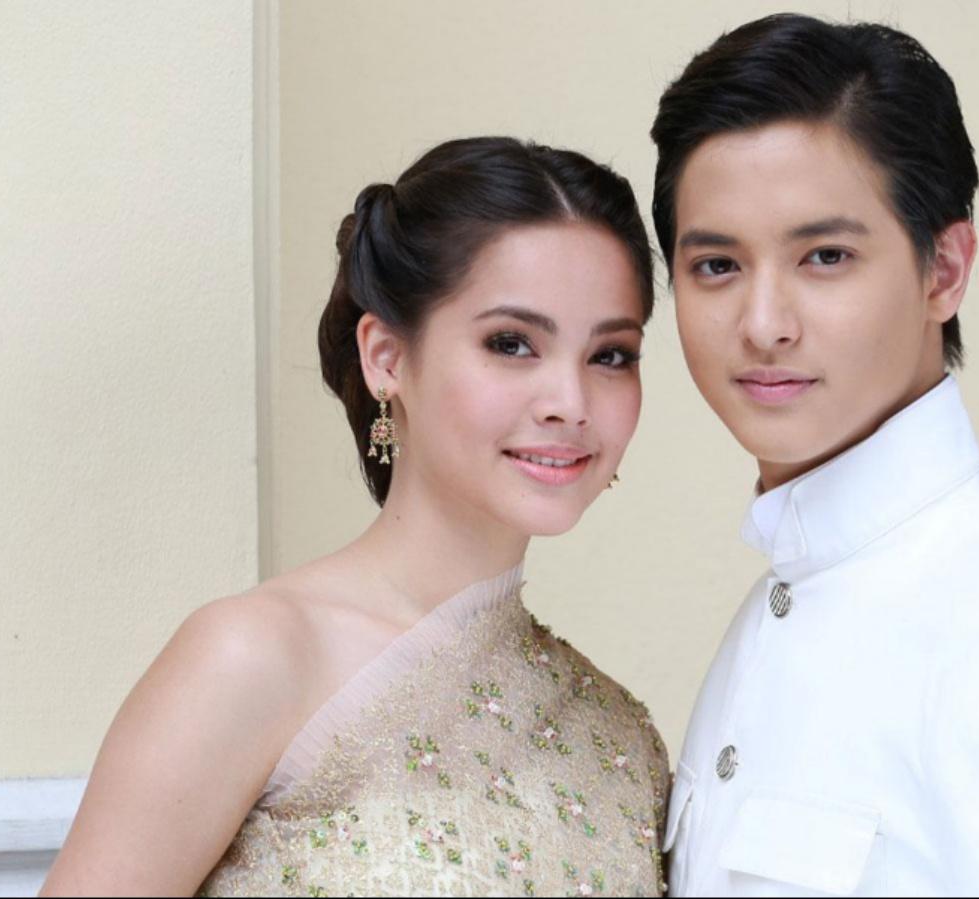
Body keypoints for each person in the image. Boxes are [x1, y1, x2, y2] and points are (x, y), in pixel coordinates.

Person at [41, 137, 669, 897]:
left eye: (611, 355)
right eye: (511, 344)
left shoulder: (619, 737)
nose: (570, 402)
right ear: (386, 358)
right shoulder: (252, 658)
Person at [649, 13, 979, 897]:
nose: (764, 324)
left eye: (825, 255)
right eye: (717, 266)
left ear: (945, 269)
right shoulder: (782, 601)